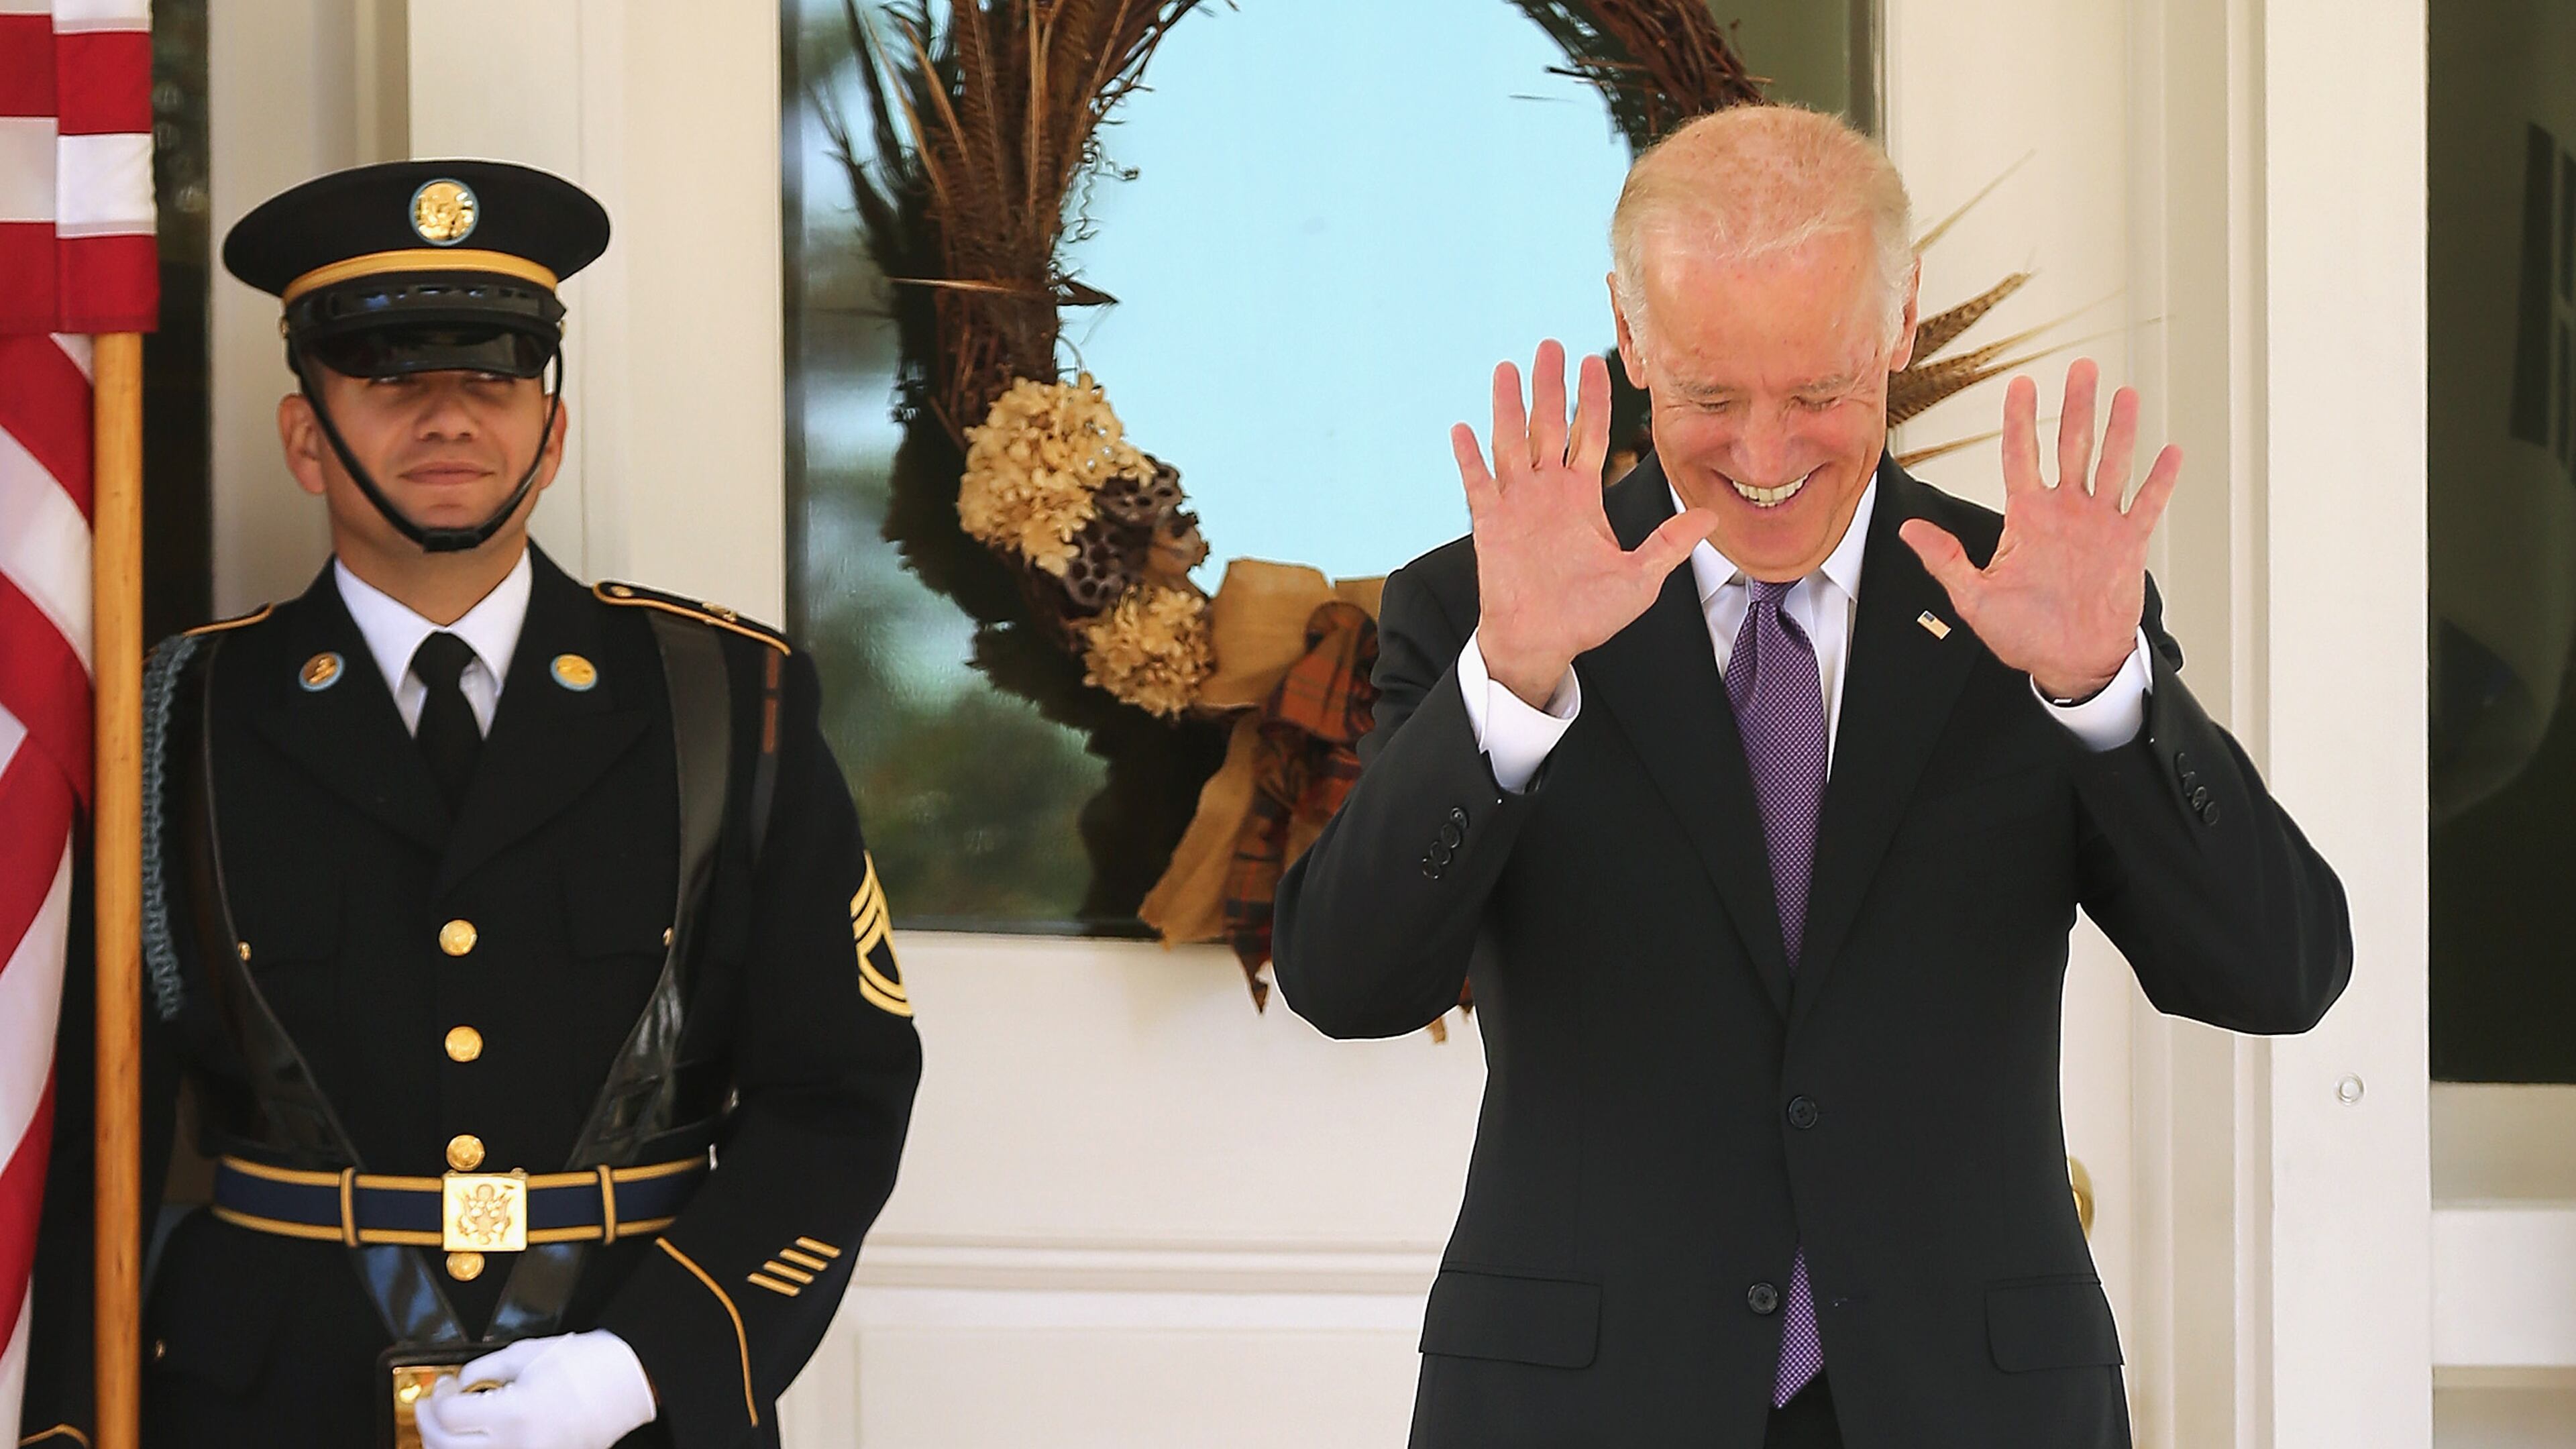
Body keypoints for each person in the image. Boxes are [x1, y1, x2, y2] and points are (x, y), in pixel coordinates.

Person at [1271, 105, 2351, 1449]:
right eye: (1712, 398)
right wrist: (1511, 682)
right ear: (1631, 325)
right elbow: (1345, 983)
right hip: (1583, 1409)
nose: (1766, 459)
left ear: (1900, 326)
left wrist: (2107, 695)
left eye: (1822, 394)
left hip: (1968, 1408)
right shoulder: (1486, 609)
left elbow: (2277, 971)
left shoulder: (2032, 602)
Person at [21, 160, 921, 1449]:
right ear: (303, 435)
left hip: (629, 1398)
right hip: (265, 1405)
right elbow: (77, 1127)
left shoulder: (727, 701)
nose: (448, 417)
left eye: (493, 378)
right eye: (390, 377)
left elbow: (838, 1092)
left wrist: (642, 1366)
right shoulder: (176, 719)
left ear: (552, 433)